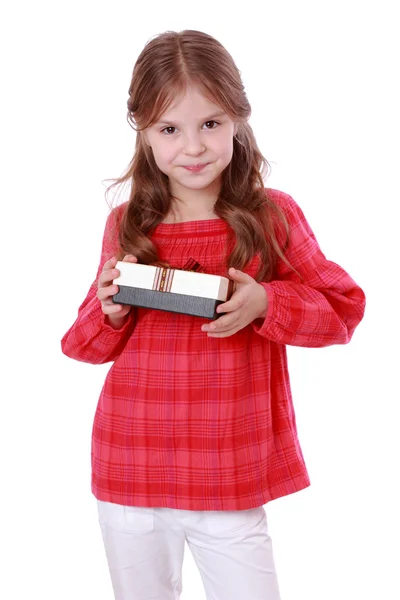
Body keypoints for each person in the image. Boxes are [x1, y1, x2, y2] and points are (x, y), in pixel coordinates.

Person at [61, 29, 366, 600]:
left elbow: (343, 310)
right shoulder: (128, 223)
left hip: (228, 471)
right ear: (144, 134)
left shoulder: (271, 215)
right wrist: (112, 310)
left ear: (238, 119)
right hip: (130, 466)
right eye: (169, 129)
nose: (194, 147)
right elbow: (80, 345)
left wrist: (266, 302)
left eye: (211, 123)